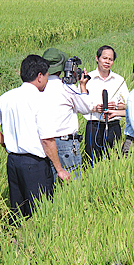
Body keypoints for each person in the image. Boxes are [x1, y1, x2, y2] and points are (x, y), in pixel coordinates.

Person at [0, 54, 71, 225]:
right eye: (46, 76)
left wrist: (4, 142)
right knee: (40, 212)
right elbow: (47, 140)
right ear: (39, 76)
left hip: (13, 162)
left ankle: (16, 243)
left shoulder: (7, 97)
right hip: (34, 164)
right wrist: (59, 169)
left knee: (18, 210)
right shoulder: (40, 100)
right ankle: (36, 244)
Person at [41, 48, 93, 181]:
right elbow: (86, 107)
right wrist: (82, 86)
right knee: (72, 186)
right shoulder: (66, 88)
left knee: (48, 187)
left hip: (43, 143)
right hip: (65, 144)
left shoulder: (37, 87)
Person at [82, 45, 129, 163]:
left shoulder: (119, 80)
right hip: (94, 125)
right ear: (97, 58)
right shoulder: (88, 79)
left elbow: (127, 104)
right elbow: (81, 105)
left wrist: (116, 107)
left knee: (114, 160)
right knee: (91, 161)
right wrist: (95, 108)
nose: (107, 62)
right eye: (104, 58)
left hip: (113, 125)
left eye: (110, 59)